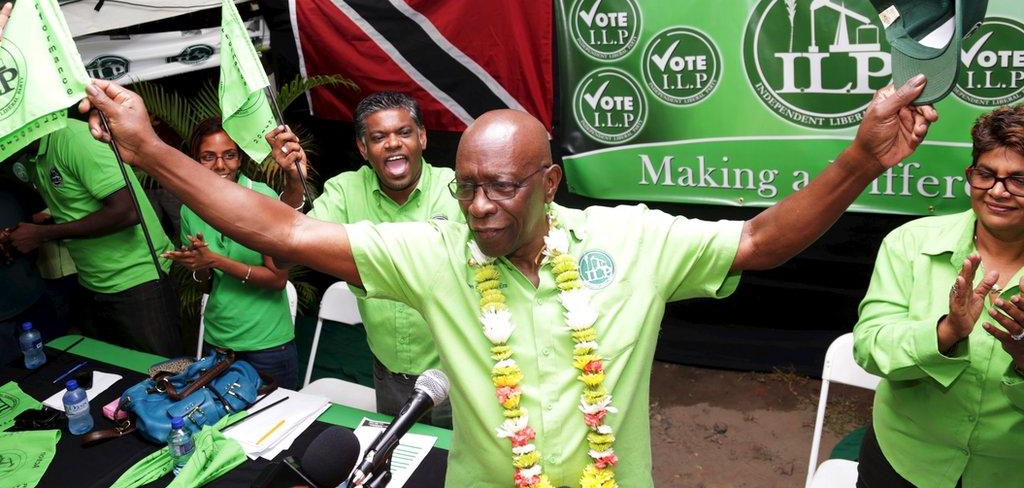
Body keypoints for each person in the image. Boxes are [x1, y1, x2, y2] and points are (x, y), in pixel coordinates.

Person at [80, 75, 934, 488]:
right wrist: (152, 150)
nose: (479, 207)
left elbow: (755, 240)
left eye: (502, 187)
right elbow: (284, 227)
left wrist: (858, 160)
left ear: (551, 183)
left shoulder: (629, 242)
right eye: (467, 188)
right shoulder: (438, 253)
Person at [852, 105, 1024, 488]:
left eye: (1019, 180)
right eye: (986, 174)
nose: (998, 190)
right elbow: (868, 347)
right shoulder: (910, 244)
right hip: (903, 460)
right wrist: (945, 333)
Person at [267, 91, 459, 427]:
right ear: (362, 148)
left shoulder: (457, 191)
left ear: (423, 138)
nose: (392, 144)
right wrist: (294, 187)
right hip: (388, 378)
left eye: (403, 132)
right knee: (398, 466)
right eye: (378, 137)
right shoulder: (345, 192)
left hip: (456, 377)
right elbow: (279, 258)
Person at [9, 118, 180, 357]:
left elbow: (127, 212)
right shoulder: (33, 158)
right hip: (94, 283)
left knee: (162, 376)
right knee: (119, 377)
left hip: (137, 280)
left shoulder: (73, 139)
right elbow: (76, 209)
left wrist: (43, 234)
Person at [162, 118, 297, 388]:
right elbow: (208, 283)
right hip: (219, 341)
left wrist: (216, 260)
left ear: (240, 158)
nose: (220, 165)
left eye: (229, 155)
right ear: (195, 160)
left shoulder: (262, 198)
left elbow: (277, 279)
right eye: (208, 157)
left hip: (267, 344)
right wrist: (199, 266)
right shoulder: (191, 208)